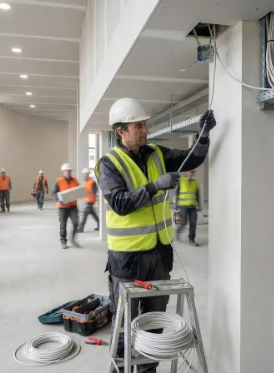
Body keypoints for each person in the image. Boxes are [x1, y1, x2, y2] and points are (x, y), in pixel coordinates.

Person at [94, 97, 215, 373]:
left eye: (145, 125)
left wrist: (204, 135)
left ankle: (147, 370)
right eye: (139, 126)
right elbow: (120, 203)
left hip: (159, 255)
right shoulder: (108, 164)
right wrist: (154, 186)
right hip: (126, 259)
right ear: (121, 131)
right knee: (126, 323)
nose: (145, 130)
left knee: (155, 321)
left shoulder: (156, 154)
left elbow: (191, 157)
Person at [53, 163, 80, 249]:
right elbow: (54, 193)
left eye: (69, 171)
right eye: (66, 171)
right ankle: (63, 241)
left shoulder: (75, 181)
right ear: (63, 172)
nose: (68, 172)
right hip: (63, 207)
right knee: (63, 224)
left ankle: (73, 239)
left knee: (76, 223)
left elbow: (78, 190)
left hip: (73, 206)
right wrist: (58, 199)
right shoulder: (58, 181)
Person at [175, 169, 200, 246]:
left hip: (192, 206)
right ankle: (178, 231)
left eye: (193, 172)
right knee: (183, 222)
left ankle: (191, 240)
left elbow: (197, 194)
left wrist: (199, 205)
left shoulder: (195, 182)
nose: (191, 174)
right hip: (183, 205)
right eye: (190, 172)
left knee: (193, 223)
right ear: (186, 172)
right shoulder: (181, 181)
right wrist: (176, 204)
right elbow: (177, 193)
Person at [77, 168, 99, 232]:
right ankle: (100, 225)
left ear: (88, 174)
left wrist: (88, 192)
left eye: (86, 174)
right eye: (84, 174)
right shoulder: (85, 182)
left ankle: (81, 228)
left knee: (85, 215)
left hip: (91, 201)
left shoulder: (92, 182)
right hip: (87, 201)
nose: (84, 175)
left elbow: (94, 191)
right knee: (93, 214)